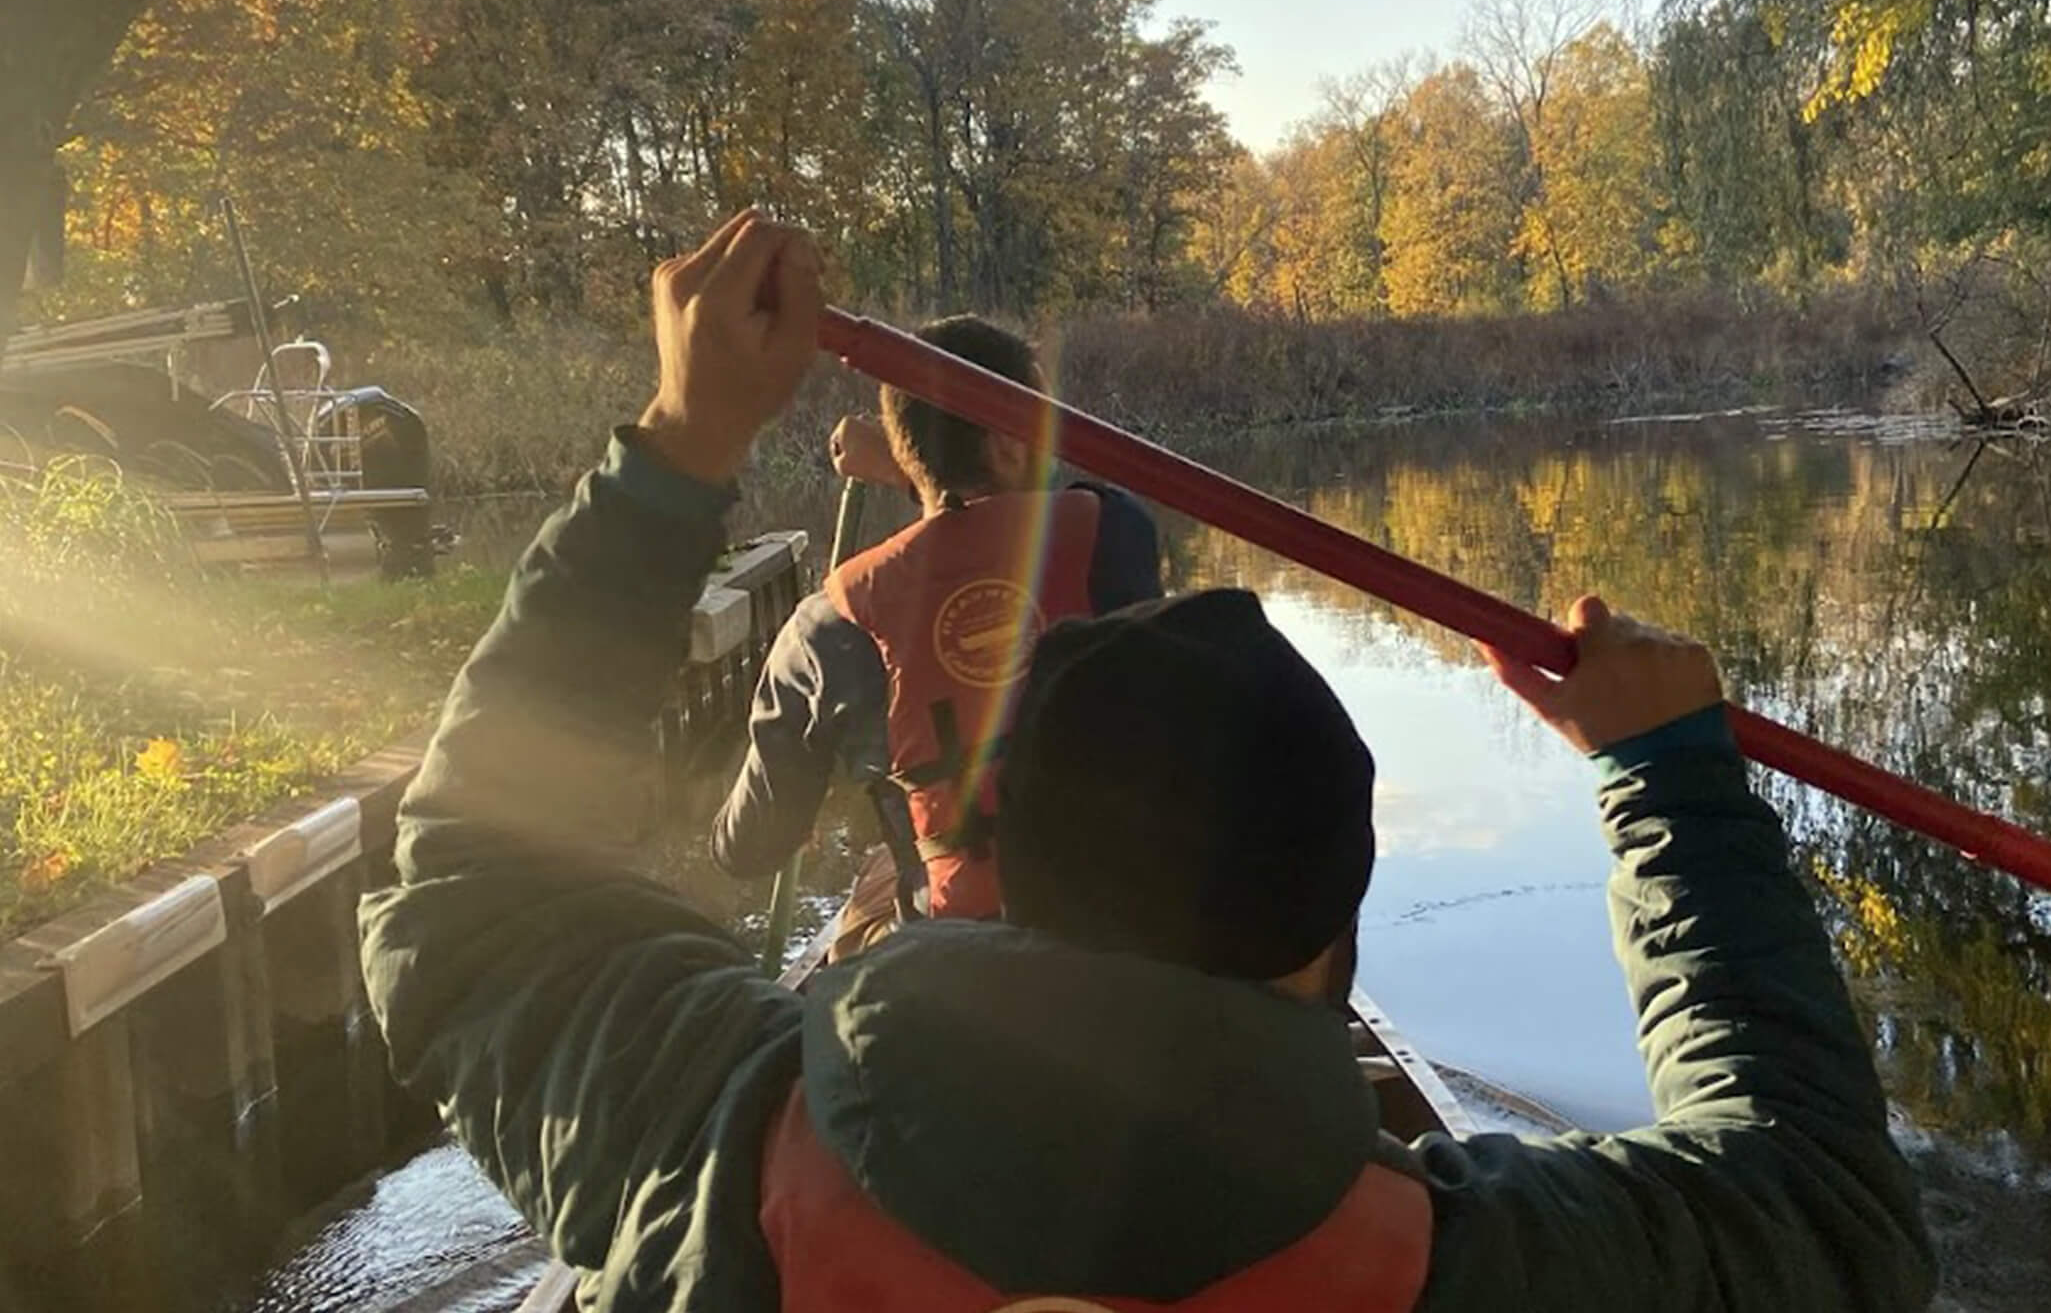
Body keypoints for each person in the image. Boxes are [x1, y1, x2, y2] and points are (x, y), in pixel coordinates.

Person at [360, 213, 1935, 1311]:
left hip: (929, 929)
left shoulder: (714, 1138)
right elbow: (1820, 1203)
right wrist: (1669, 780)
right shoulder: (1475, 1271)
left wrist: (682, 440)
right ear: (1329, 948)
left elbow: (466, 899)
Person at [710, 314, 1161, 955]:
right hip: (1130, 944)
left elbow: (747, 852)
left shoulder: (825, 628)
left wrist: (913, 468)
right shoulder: (1117, 539)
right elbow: (1015, 520)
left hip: (952, 971)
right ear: (1009, 442)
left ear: (907, 443)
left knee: (873, 891)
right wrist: (912, 469)